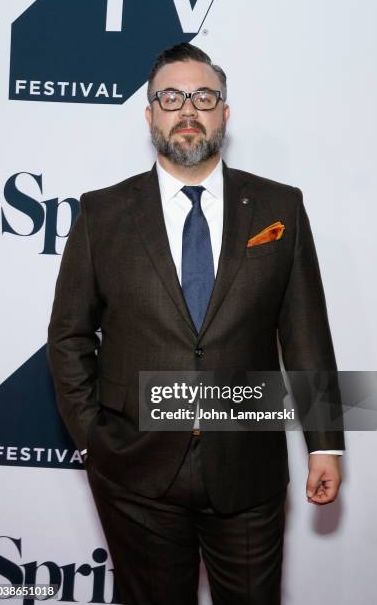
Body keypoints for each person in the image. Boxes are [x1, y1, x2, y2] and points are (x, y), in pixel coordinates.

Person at [47, 43, 345, 605]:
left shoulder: (280, 208)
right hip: (134, 471)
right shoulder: (101, 213)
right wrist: (93, 438)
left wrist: (325, 444)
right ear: (150, 114)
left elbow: (307, 330)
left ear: (225, 112)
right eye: (171, 97)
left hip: (248, 469)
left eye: (203, 96)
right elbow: (68, 337)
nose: (188, 109)